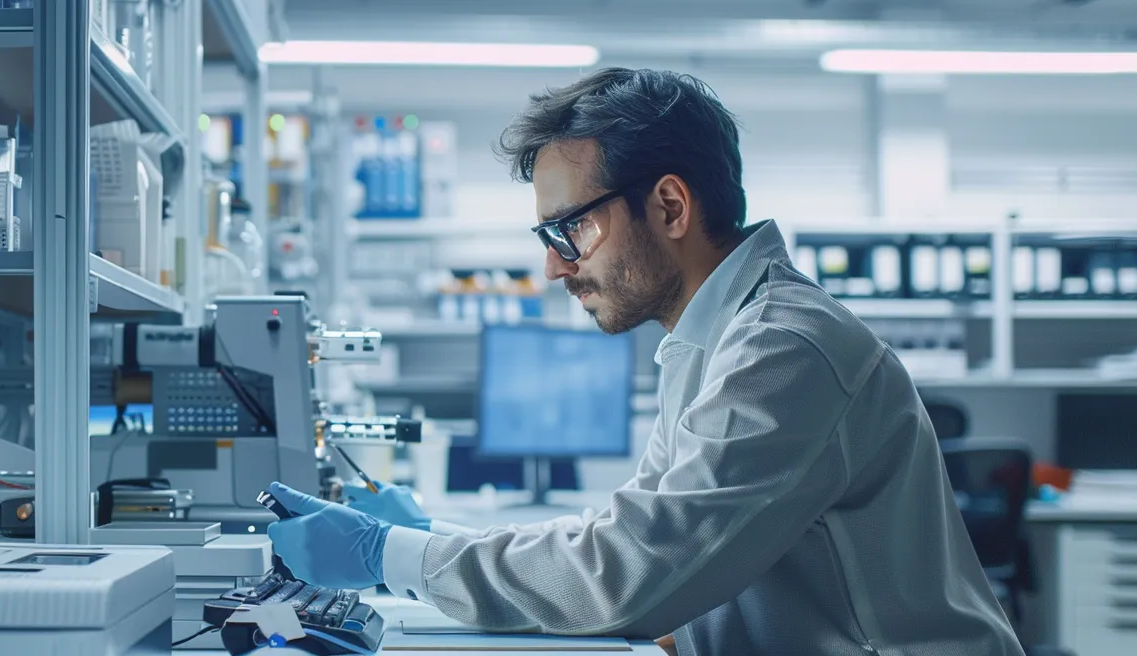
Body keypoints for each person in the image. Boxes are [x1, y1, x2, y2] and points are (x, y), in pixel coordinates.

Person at [264, 68, 1024, 655]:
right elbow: (639, 543)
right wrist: (440, 537)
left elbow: (630, 576)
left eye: (572, 231)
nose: (559, 269)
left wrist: (394, 554)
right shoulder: (709, 340)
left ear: (668, 207)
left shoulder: (783, 350)